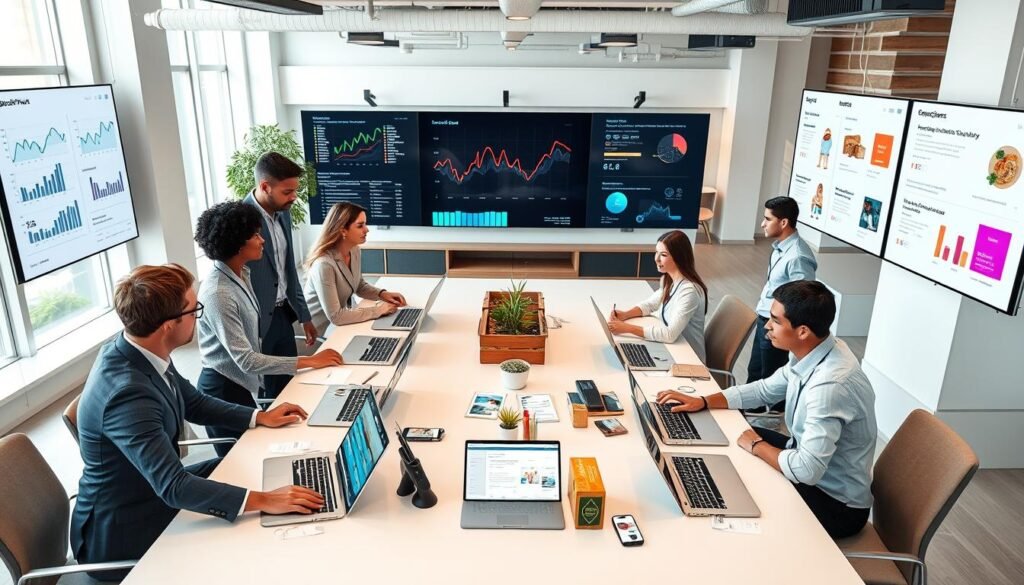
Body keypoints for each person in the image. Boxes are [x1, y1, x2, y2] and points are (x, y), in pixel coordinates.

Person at [71, 264, 327, 577]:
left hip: (148, 491)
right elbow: (173, 486)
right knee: (251, 535)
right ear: (168, 324)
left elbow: (193, 403)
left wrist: (260, 416)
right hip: (123, 530)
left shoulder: (139, 350)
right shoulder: (128, 395)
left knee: (255, 466)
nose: (198, 316)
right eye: (194, 310)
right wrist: (264, 500)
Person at [655, 281, 876, 539]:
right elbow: (764, 390)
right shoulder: (816, 349)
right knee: (736, 436)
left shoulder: (829, 386)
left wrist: (758, 446)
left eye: (776, 321)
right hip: (809, 462)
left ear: (802, 331)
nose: (767, 326)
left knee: (749, 469)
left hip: (835, 504)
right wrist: (703, 401)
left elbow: (806, 470)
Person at [195, 201, 343, 454]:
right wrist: (310, 361)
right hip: (222, 387)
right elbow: (246, 360)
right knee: (238, 463)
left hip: (241, 384)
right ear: (237, 243)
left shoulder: (242, 274)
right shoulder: (219, 293)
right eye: (255, 235)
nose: (262, 240)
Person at [244, 152, 317, 399]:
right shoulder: (240, 220)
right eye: (287, 192)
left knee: (288, 386)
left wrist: (305, 316)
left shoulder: (283, 213)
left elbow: (289, 271)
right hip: (256, 321)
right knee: (267, 391)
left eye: (295, 191)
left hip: (283, 315)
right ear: (265, 186)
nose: (294, 198)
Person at [303, 201, 407, 334]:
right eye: (360, 225)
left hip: (339, 324)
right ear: (343, 230)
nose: (367, 229)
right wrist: (379, 310)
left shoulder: (354, 250)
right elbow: (336, 316)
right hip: (318, 331)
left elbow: (358, 285)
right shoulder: (324, 265)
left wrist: (382, 294)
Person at [608, 230, 709, 362]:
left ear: (679, 258)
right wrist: (626, 314)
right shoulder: (670, 280)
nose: (656, 259)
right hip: (674, 349)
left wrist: (627, 329)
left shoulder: (688, 292)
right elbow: (651, 305)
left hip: (689, 360)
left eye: (663, 255)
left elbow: (669, 335)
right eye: (656, 252)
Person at [747, 196, 817, 388]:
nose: (763, 224)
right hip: (765, 318)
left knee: (769, 378)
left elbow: (803, 299)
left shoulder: (798, 257)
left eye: (768, 219)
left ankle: (765, 417)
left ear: (784, 222)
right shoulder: (779, 247)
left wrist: (779, 326)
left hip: (777, 325)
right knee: (755, 373)